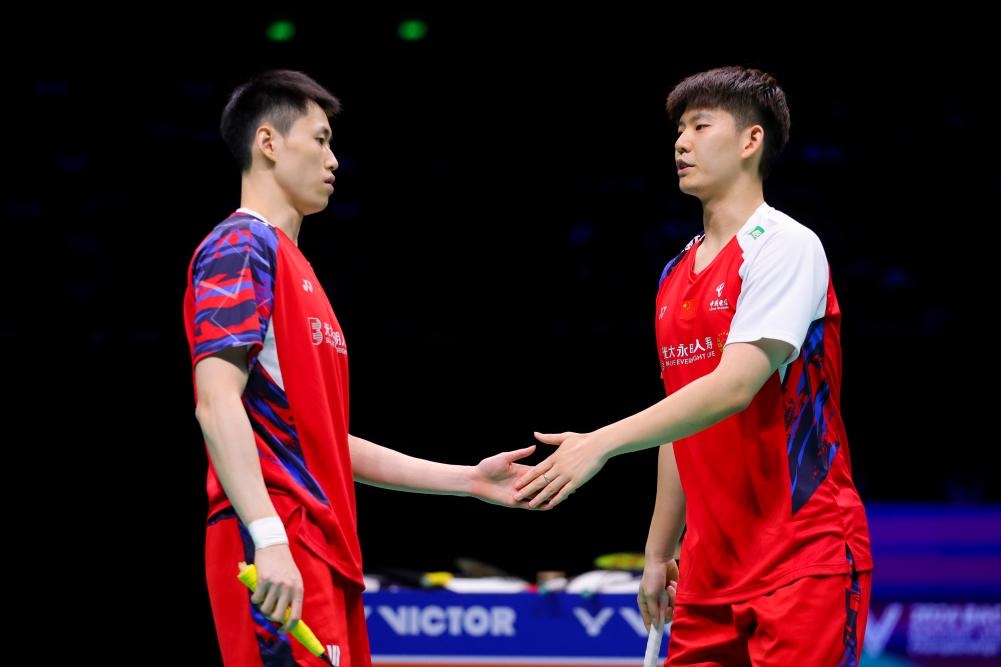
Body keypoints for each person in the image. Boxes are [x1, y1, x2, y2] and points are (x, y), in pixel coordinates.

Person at [515, 65, 873, 666]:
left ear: (751, 140)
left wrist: (599, 443)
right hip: (707, 572)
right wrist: (659, 551)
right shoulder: (675, 274)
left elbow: (733, 387)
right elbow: (681, 418)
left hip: (802, 555)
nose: (681, 142)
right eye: (679, 130)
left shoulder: (786, 246)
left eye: (700, 126)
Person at [183, 69, 540, 667]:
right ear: (268, 142)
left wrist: (467, 481)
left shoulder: (297, 268)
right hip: (276, 540)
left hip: (326, 545)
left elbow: (320, 439)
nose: (333, 160)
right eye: (320, 139)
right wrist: (268, 537)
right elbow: (215, 403)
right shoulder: (239, 248)